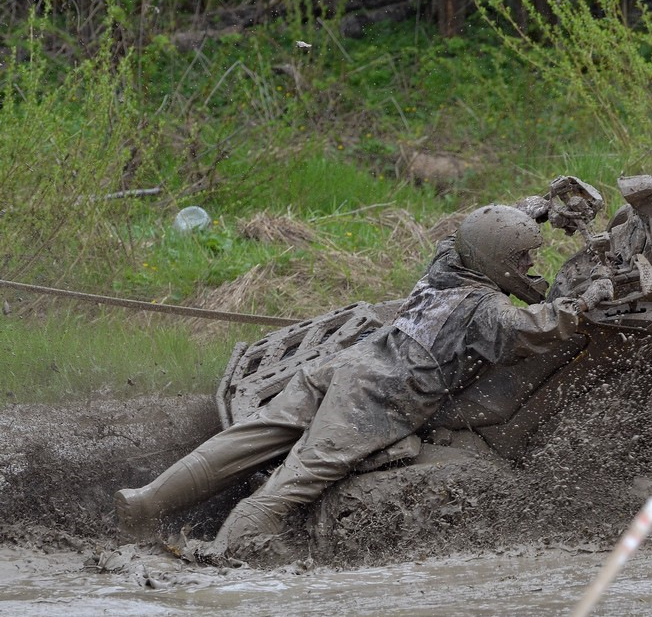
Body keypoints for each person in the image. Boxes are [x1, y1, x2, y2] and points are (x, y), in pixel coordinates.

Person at [115, 203, 614, 561]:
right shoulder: (486, 310)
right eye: (525, 258)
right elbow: (538, 328)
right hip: (382, 394)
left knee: (251, 437)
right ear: (499, 261)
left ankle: (146, 503)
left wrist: (540, 208)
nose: (531, 266)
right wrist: (589, 299)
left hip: (351, 362)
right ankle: (223, 564)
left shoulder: (447, 261)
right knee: (297, 480)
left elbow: (478, 231)